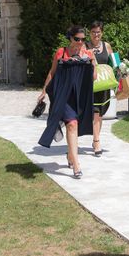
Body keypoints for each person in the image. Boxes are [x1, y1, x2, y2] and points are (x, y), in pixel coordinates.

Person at [38, 25, 97, 179]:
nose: (80, 42)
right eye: (77, 39)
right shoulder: (61, 52)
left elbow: (94, 77)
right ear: (70, 38)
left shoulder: (88, 54)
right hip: (62, 94)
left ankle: (71, 155)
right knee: (72, 124)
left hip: (79, 95)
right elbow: (52, 73)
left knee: (75, 125)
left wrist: (92, 63)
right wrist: (44, 90)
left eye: (83, 39)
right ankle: (76, 165)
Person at [86, 21, 115, 156]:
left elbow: (113, 63)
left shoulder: (107, 46)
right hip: (90, 85)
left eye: (98, 32)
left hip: (104, 85)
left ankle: (96, 138)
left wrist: (122, 69)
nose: (96, 34)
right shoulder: (85, 46)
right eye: (93, 32)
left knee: (100, 114)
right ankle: (96, 141)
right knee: (95, 113)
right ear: (89, 33)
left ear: (102, 32)